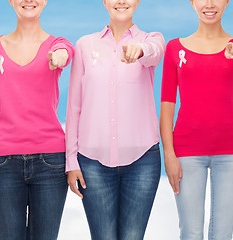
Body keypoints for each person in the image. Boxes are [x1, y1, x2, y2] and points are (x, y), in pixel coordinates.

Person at [65, 0, 165, 239]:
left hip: (142, 161)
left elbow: (154, 53)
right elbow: (74, 105)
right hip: (92, 162)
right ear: (105, 2)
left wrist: (139, 50)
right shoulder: (85, 45)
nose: (121, 1)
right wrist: (71, 161)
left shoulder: (152, 39)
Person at [0, 0, 74, 239]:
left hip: (50, 163)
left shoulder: (56, 46)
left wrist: (61, 56)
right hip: (3, 164)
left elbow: (66, 50)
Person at [160, 0, 233, 239]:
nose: (209, 4)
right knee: (190, 233)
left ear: (226, 2)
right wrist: (169, 155)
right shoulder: (174, 49)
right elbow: (167, 107)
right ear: (192, 3)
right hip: (186, 153)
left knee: (222, 234)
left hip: (232, 152)